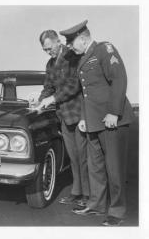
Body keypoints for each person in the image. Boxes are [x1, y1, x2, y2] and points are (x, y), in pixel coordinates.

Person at [59, 20, 135, 226]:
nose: (70, 47)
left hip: (112, 121)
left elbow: (119, 79)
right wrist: (84, 118)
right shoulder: (82, 58)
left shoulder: (104, 49)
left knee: (114, 168)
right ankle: (96, 205)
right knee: (96, 167)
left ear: (83, 39)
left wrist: (113, 112)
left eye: (72, 42)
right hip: (93, 121)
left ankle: (117, 212)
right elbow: (86, 94)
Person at [34, 30, 89, 207]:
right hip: (64, 117)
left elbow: (74, 85)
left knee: (83, 156)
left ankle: (88, 196)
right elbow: (48, 86)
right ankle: (77, 192)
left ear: (58, 41)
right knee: (73, 156)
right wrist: (40, 100)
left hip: (79, 115)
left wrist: (52, 99)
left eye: (49, 48)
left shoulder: (73, 56)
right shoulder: (50, 64)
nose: (48, 52)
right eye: (44, 50)